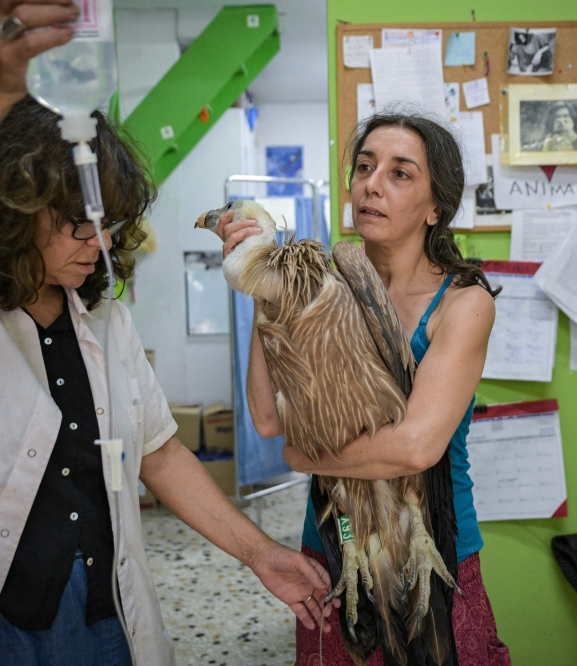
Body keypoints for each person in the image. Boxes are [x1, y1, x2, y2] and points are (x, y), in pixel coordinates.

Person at [0, 1, 332, 664]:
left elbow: (158, 453)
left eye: (105, 222)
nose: (98, 241)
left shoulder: (103, 318)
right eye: (76, 221)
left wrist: (259, 553)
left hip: (99, 613)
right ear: (13, 205)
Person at [218, 113, 513, 665]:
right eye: (364, 167)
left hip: (431, 549)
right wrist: (264, 285)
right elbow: (265, 418)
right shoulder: (321, 282)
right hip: (336, 541)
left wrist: (307, 455)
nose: (372, 183)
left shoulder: (463, 302)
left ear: (435, 207)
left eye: (401, 174)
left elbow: (416, 447)